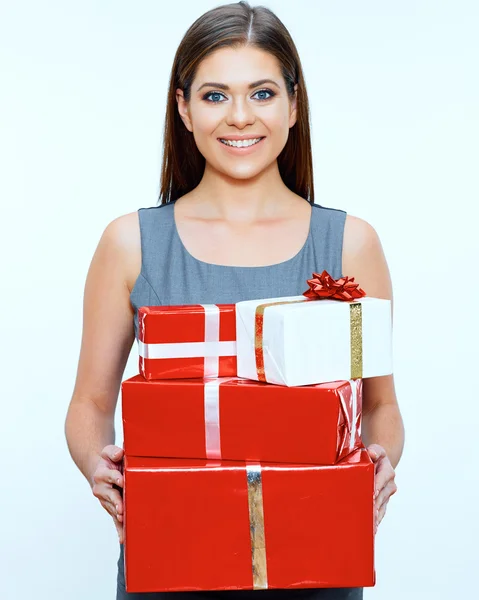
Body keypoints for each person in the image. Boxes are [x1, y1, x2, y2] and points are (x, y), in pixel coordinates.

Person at [64, 2, 405, 599]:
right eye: (216, 95)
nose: (240, 116)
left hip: (316, 567)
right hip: (170, 563)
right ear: (183, 108)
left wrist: (375, 464)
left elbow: (381, 407)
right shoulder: (131, 244)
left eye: (263, 93)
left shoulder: (351, 244)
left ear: (294, 106)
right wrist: (100, 465)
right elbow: (90, 403)